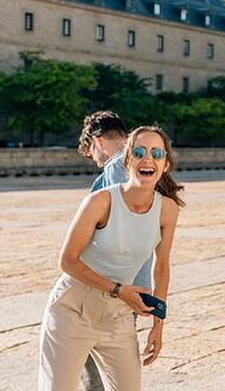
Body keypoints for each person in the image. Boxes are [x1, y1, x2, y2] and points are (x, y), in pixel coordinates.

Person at [39, 126, 184, 390]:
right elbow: (67, 261)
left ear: (166, 164)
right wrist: (119, 290)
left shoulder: (168, 210)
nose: (147, 159)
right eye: (139, 152)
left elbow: (161, 267)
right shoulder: (100, 201)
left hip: (117, 317)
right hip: (73, 310)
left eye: (156, 153)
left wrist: (158, 324)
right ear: (127, 160)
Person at [76, 111, 154, 391]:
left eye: (91, 153)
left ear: (97, 140)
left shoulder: (114, 167)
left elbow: (112, 226)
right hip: (135, 283)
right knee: (117, 362)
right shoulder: (147, 165)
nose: (95, 161)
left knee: (84, 352)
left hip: (108, 285)